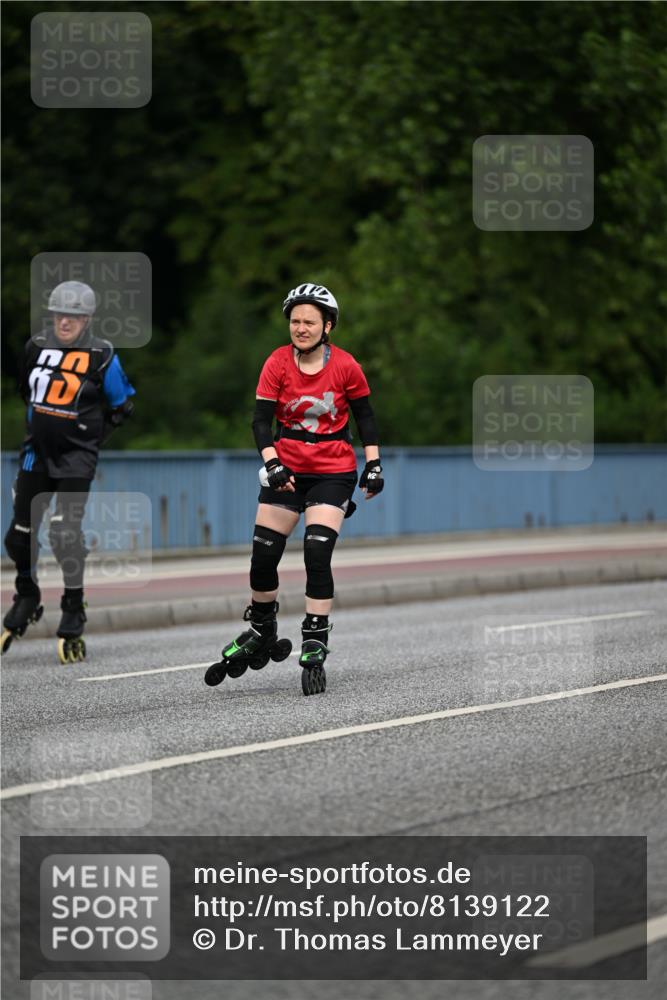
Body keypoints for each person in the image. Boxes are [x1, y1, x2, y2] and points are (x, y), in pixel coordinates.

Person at [205, 282, 383, 696]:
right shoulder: (276, 363)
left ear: (328, 326)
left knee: (316, 550)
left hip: (333, 471)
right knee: (262, 556)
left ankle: (315, 636)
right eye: (295, 321)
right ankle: (262, 627)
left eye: (309, 322)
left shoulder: (346, 366)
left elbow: (366, 417)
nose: (300, 328)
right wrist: (273, 462)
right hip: (285, 469)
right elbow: (260, 422)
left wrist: (373, 464)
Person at [2, 280, 136, 662]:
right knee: (18, 536)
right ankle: (27, 595)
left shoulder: (102, 354)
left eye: (74, 316)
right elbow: (26, 393)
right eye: (60, 313)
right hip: (36, 454)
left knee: (64, 534)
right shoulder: (35, 347)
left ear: (87, 319)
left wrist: (91, 439)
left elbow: (123, 405)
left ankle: (73, 605)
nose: (65, 321)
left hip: (77, 458)